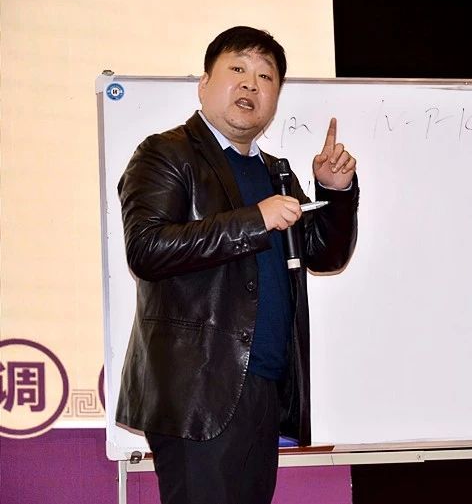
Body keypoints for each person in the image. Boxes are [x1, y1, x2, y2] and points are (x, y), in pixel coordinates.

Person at [115, 26, 359, 504]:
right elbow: (146, 249)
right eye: (238, 69)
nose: (251, 84)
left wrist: (335, 193)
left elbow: (324, 254)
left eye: (265, 76)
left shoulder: (276, 172)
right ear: (205, 84)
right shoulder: (166, 153)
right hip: (197, 392)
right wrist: (254, 220)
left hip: (264, 385)